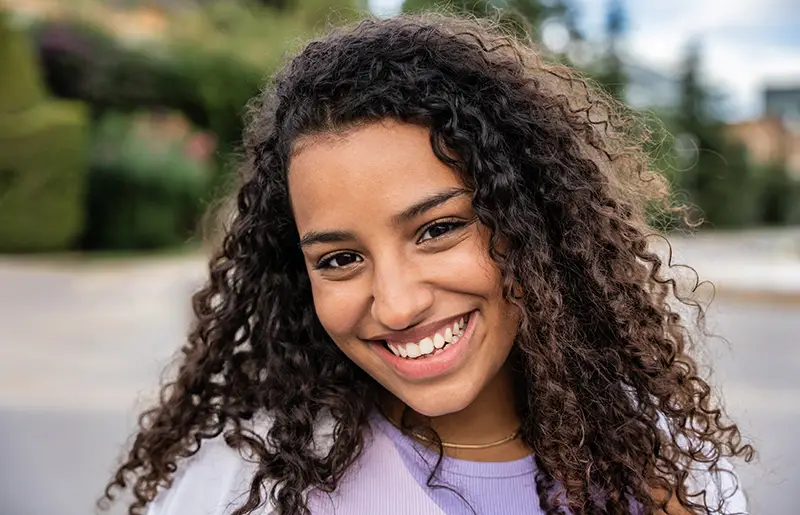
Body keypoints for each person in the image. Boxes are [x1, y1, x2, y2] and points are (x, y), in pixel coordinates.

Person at [101, 12, 754, 515]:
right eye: (340, 258)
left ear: (534, 220)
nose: (398, 303)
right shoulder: (245, 485)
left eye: (438, 228)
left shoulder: (665, 462)